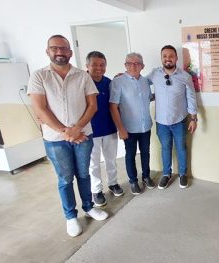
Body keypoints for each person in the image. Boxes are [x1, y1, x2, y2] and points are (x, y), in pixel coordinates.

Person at [28, 35, 108, 238]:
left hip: (83, 136)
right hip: (55, 140)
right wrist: (66, 132)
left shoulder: (82, 76)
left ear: (70, 52)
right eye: (55, 48)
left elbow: (92, 106)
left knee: (83, 174)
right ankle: (71, 216)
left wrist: (77, 129)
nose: (60, 52)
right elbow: (40, 109)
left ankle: (89, 207)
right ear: (48, 51)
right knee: (65, 179)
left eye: (64, 48)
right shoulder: (39, 76)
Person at [147, 45, 198, 189]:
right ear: (161, 58)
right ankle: (166, 174)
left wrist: (193, 118)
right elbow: (141, 84)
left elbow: (191, 97)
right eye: (165, 56)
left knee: (181, 147)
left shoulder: (184, 76)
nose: (167, 59)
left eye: (171, 56)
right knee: (165, 148)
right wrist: (127, 76)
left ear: (176, 58)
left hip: (180, 120)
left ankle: (182, 174)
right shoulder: (154, 74)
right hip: (161, 122)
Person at [110, 52, 155, 195]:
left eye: (137, 63)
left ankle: (146, 176)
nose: (133, 66)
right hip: (128, 128)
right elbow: (113, 106)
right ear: (125, 65)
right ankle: (133, 181)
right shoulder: (118, 82)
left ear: (142, 66)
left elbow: (148, 98)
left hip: (145, 126)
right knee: (130, 155)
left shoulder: (145, 81)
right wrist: (120, 129)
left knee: (146, 152)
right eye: (129, 63)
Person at [86, 51, 123, 207]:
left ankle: (113, 183)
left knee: (111, 159)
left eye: (102, 65)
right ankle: (96, 190)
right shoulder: (82, 82)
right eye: (94, 65)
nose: (98, 68)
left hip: (109, 128)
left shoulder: (109, 83)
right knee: (93, 163)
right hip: (90, 131)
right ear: (87, 66)